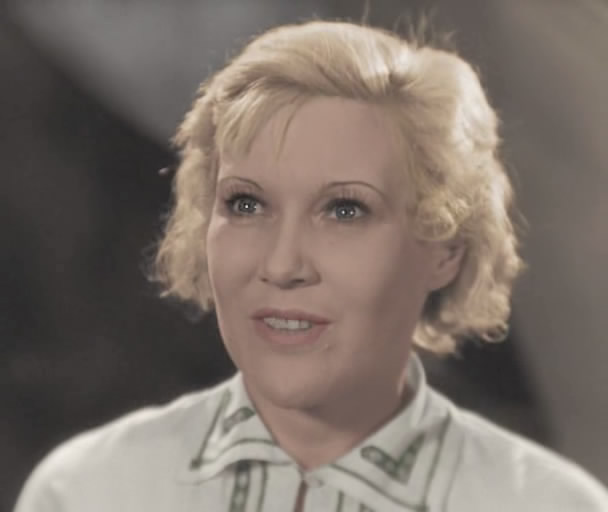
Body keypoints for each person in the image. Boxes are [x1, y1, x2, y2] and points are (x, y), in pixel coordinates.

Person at [14, 19, 608, 512]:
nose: (282, 264)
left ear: (445, 250)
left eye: (345, 210)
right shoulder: (88, 491)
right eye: (245, 205)